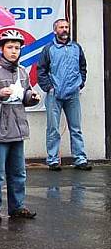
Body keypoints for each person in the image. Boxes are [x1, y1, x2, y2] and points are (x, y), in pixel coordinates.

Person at [0, 28, 41, 222]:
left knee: (18, 173)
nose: (14, 51)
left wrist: (32, 97)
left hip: (18, 129)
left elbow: (26, 96)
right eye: (10, 47)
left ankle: (17, 206)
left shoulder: (23, 72)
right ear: (1, 50)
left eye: (17, 47)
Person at [36, 18, 91, 171]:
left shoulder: (76, 47)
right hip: (55, 94)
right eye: (61, 27)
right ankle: (53, 160)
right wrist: (49, 88)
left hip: (73, 93)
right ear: (55, 30)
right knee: (53, 128)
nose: (65, 29)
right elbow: (41, 70)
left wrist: (81, 83)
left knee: (76, 128)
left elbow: (83, 66)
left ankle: (80, 159)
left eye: (66, 27)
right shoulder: (49, 49)